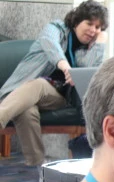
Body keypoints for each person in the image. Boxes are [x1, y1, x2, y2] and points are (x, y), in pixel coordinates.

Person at [0, 0, 108, 166]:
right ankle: (38, 165)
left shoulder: (87, 48)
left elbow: (88, 72)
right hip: (24, 89)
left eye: (99, 27)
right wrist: (65, 67)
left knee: (39, 85)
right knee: (27, 111)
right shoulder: (55, 28)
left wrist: (99, 45)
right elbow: (50, 44)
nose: (94, 30)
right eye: (90, 24)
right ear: (77, 21)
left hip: (58, 97)